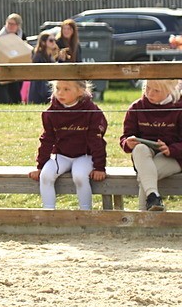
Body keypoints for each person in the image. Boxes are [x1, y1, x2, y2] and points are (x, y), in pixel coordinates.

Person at [29, 80, 107, 210]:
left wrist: (99, 167)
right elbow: (47, 139)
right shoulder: (50, 112)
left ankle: (85, 213)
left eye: (66, 89)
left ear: (80, 91)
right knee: (46, 175)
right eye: (57, 88)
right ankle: (49, 213)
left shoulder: (93, 112)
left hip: (85, 156)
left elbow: (96, 141)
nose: (60, 93)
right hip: (62, 156)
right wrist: (40, 166)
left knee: (79, 176)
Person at [120, 78, 182, 210]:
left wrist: (171, 149)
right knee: (140, 149)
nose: (150, 93)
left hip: (174, 157)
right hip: (144, 155)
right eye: (147, 88)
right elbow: (125, 137)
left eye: (156, 90)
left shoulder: (179, 107)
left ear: (170, 90)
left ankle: (144, 219)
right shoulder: (137, 107)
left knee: (146, 177)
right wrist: (127, 143)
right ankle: (154, 198)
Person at [27, 31, 60, 104]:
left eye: (55, 40)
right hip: (39, 91)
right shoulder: (38, 57)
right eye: (51, 40)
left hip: (46, 89)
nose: (53, 42)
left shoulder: (50, 57)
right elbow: (40, 80)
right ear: (43, 42)